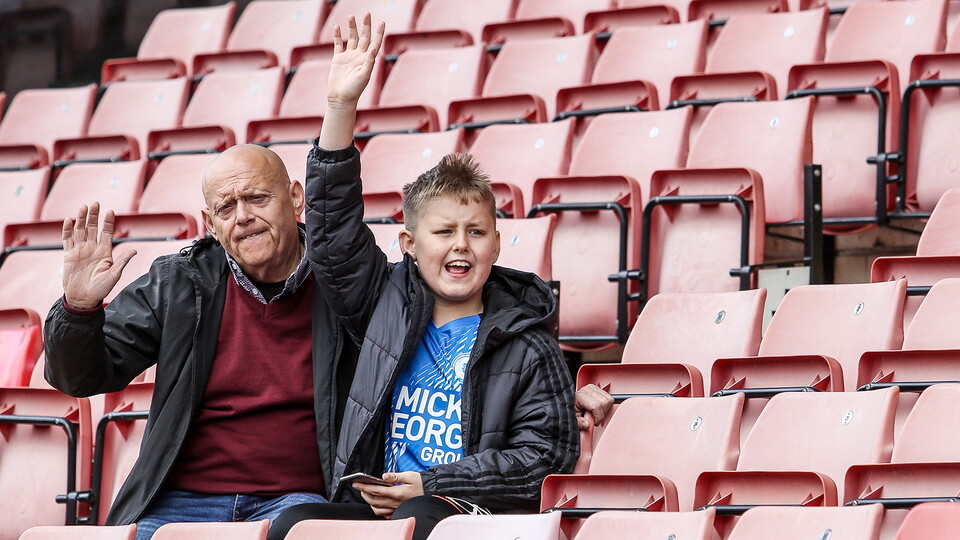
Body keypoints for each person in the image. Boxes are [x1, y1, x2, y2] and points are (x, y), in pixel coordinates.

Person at [268, 14, 579, 540]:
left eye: (476, 232)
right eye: (444, 232)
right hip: (381, 505)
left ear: (496, 244)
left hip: (466, 509)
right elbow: (332, 235)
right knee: (295, 523)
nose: (461, 245)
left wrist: (432, 482)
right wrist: (340, 106)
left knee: (422, 519)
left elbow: (544, 456)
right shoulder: (383, 306)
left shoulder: (526, 342)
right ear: (409, 246)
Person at [43, 145, 360, 539]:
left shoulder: (344, 281)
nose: (243, 217)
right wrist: (78, 309)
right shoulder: (178, 282)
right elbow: (80, 378)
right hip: (181, 503)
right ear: (210, 223)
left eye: (257, 198)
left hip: (294, 501)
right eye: (226, 208)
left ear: (296, 198)